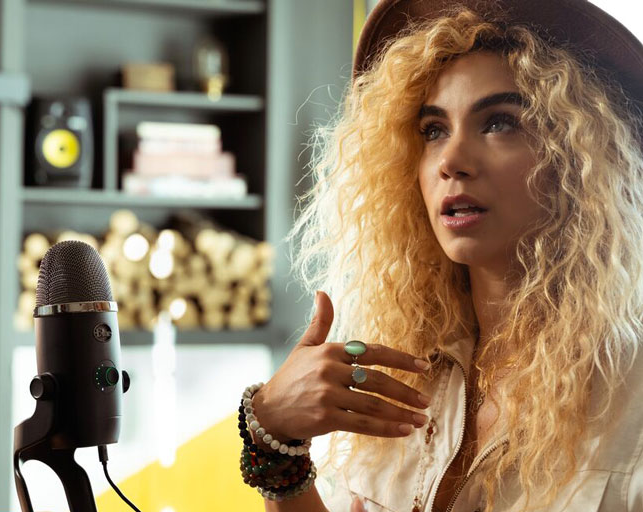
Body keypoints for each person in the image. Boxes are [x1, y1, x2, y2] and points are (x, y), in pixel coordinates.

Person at [236, 1, 643, 510]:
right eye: (433, 130)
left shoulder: (631, 391)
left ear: (579, 155)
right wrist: (275, 440)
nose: (451, 160)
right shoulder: (401, 368)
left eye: (500, 123)